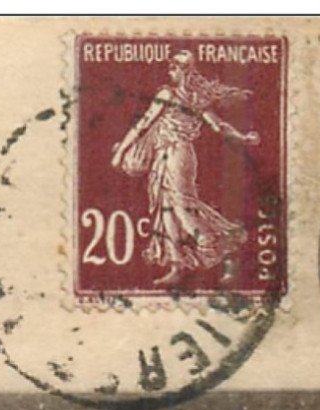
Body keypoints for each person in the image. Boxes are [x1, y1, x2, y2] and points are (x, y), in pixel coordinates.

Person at [111, 50, 260, 286]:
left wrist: (120, 153)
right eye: (170, 64)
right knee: (167, 208)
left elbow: (143, 124)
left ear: (185, 70)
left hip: (175, 154)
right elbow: (218, 125)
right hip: (171, 155)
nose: (170, 69)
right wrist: (243, 138)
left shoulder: (168, 94)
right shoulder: (196, 98)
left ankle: (213, 246)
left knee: (180, 206)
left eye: (175, 66)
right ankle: (177, 265)